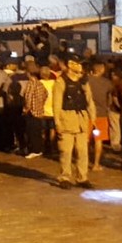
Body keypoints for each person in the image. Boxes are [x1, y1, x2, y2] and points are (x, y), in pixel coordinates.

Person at [52, 56, 96, 190]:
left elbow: (89, 100)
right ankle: (65, 177)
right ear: (70, 65)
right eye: (78, 64)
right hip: (67, 119)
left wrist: (92, 118)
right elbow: (57, 104)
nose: (80, 66)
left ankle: (82, 177)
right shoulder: (61, 81)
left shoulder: (83, 82)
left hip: (81, 119)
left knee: (83, 151)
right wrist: (57, 122)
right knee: (66, 151)